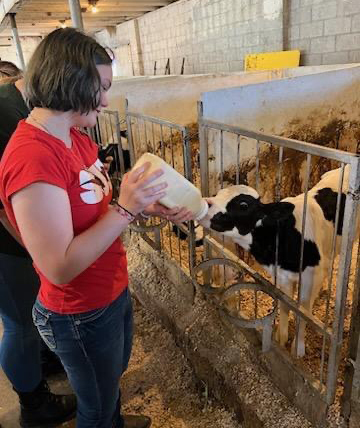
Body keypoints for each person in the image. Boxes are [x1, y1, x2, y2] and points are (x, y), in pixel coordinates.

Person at [0, 28, 194, 428]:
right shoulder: (33, 159)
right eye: (101, 87)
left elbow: (95, 211)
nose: (106, 100)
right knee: (95, 408)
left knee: (107, 387)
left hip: (109, 288)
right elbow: (58, 266)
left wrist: (146, 208)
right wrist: (125, 208)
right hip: (78, 309)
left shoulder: (76, 138)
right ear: (71, 81)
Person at [0, 63, 77, 427]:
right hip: (5, 244)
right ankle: (34, 403)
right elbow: (4, 203)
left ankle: (42, 363)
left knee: (26, 317)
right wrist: (39, 250)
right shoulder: (5, 112)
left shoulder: (19, 107)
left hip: (15, 237)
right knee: (17, 324)